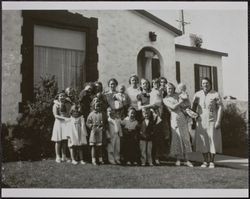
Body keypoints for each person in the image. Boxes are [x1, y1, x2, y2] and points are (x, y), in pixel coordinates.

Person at [192, 77, 223, 168]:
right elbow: (193, 107)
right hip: (201, 121)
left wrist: (218, 121)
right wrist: (194, 118)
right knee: (203, 141)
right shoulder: (197, 94)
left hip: (212, 121)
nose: (205, 85)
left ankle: (212, 161)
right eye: (203, 83)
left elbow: (220, 108)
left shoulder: (215, 94)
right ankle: (205, 161)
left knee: (212, 140)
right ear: (201, 85)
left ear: (210, 84)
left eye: (207, 83)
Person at [163, 83, 193, 167]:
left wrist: (184, 96)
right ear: (166, 89)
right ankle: (178, 159)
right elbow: (172, 107)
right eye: (168, 88)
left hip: (182, 117)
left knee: (185, 138)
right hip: (174, 118)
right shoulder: (165, 99)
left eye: (172, 88)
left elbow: (187, 103)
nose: (170, 90)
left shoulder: (178, 95)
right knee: (177, 138)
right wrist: (180, 102)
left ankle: (187, 160)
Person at [86, 97, 108, 165]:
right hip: (94, 132)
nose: (98, 107)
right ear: (93, 106)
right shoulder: (91, 114)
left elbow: (106, 122)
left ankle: (100, 159)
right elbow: (87, 122)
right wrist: (91, 126)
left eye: (99, 105)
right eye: (96, 105)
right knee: (93, 146)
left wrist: (104, 127)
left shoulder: (103, 114)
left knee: (100, 147)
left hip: (101, 131)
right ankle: (93, 159)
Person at [51, 91, 69, 163]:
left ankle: (64, 156)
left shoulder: (67, 104)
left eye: (63, 96)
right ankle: (58, 156)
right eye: (60, 96)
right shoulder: (56, 105)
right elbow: (56, 116)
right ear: (58, 97)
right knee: (58, 140)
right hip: (59, 123)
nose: (62, 97)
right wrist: (65, 118)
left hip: (65, 123)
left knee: (64, 140)